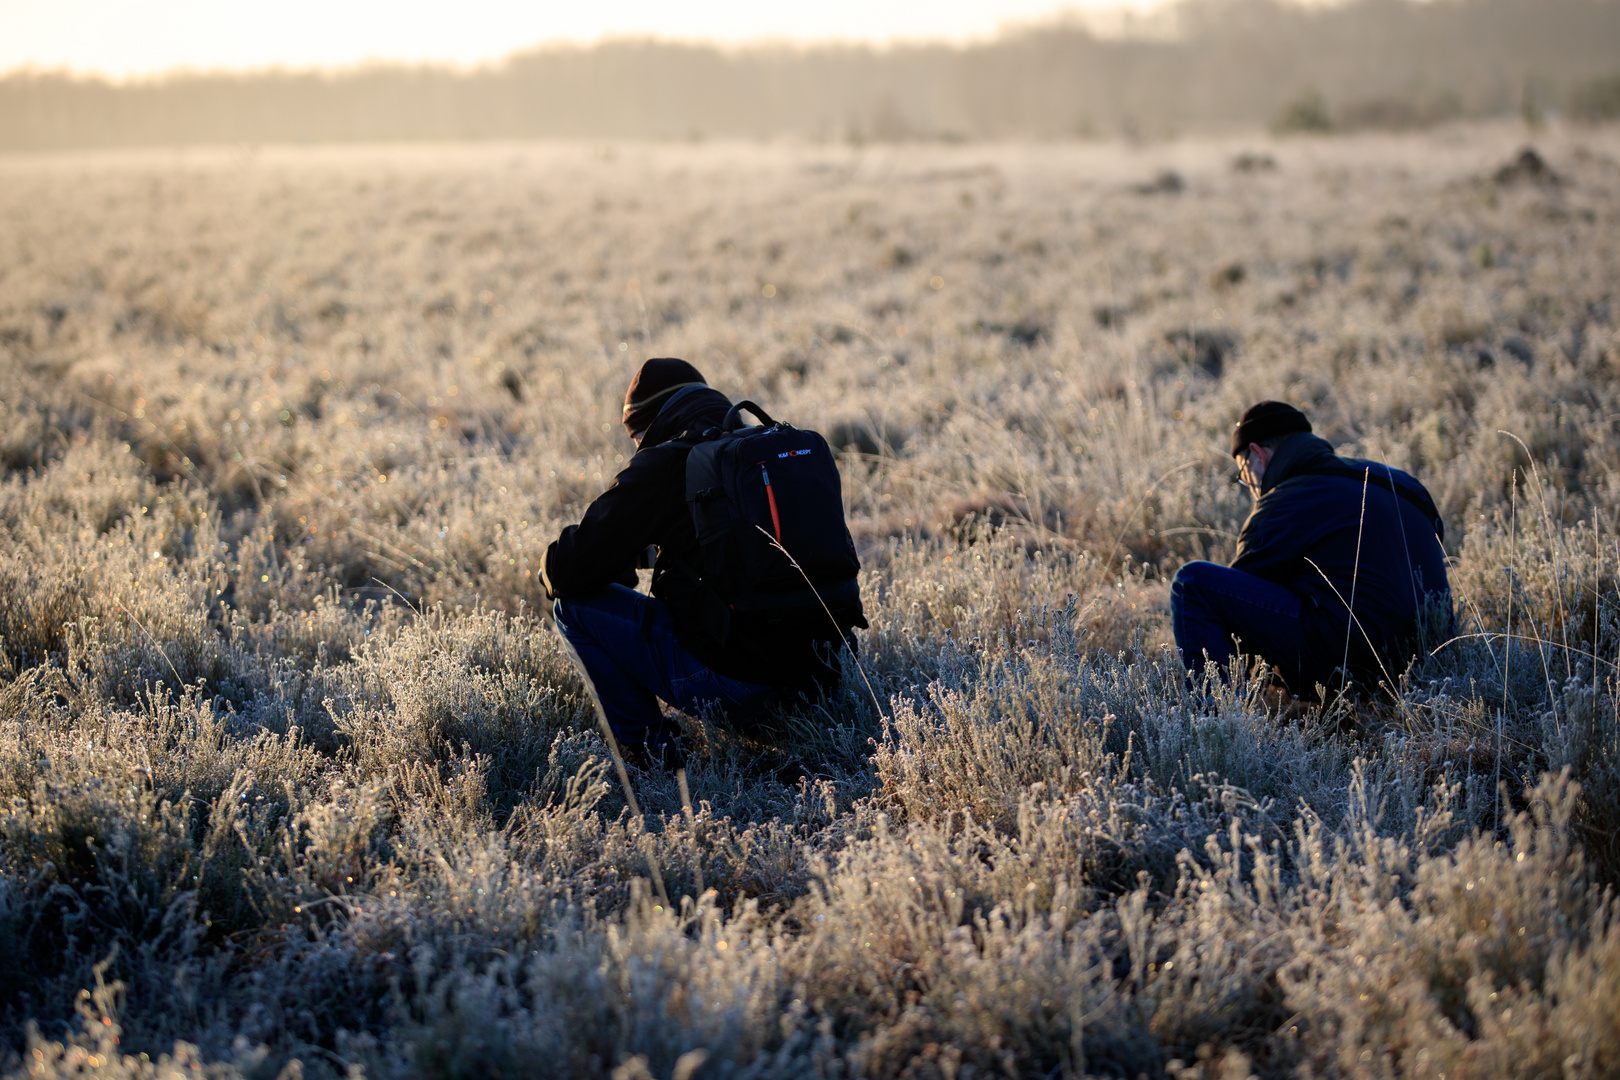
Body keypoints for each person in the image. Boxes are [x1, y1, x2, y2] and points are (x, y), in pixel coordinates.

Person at [542, 357, 865, 767]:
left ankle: (652, 753)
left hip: (744, 686)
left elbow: (571, 568)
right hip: (830, 676)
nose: (637, 445)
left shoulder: (662, 462)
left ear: (649, 423)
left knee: (572, 607)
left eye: (636, 435)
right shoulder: (764, 448)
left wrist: (547, 566)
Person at [1171, 401, 1451, 698]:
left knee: (1193, 584)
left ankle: (1216, 721)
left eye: (1243, 472)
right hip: (1436, 654)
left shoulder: (1283, 502)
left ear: (1257, 454)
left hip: (1361, 662)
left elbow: (1238, 624)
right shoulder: (1402, 482)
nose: (1248, 485)